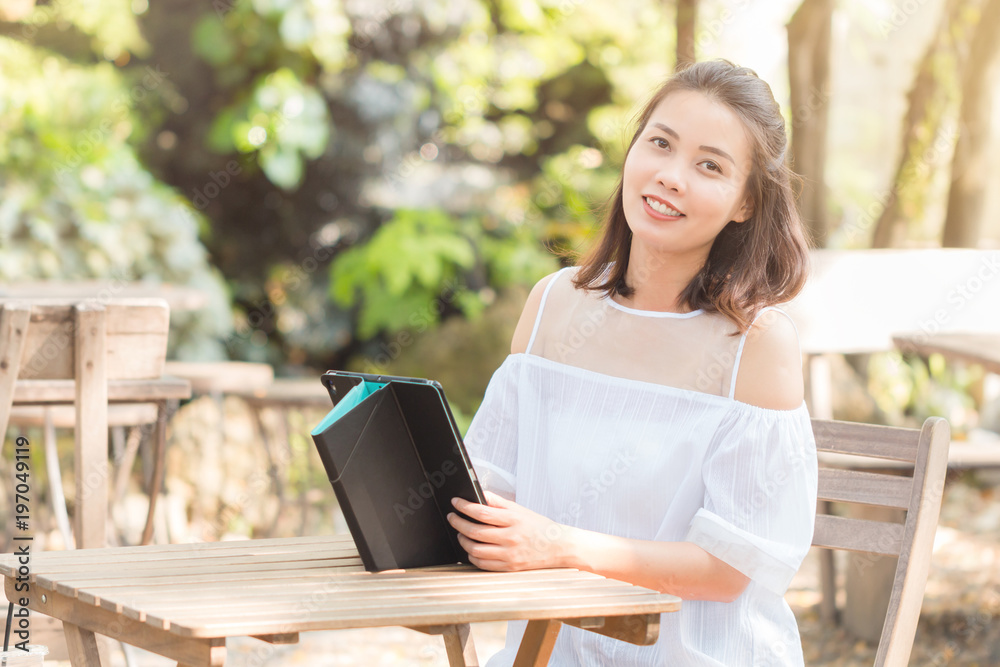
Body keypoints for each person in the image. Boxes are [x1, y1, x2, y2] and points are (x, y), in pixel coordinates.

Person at [448, 59, 819, 666]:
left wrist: (560, 546)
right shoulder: (553, 306)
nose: (670, 176)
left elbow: (727, 569)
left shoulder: (756, 345)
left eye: (709, 166)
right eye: (660, 144)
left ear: (746, 202)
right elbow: (488, 484)